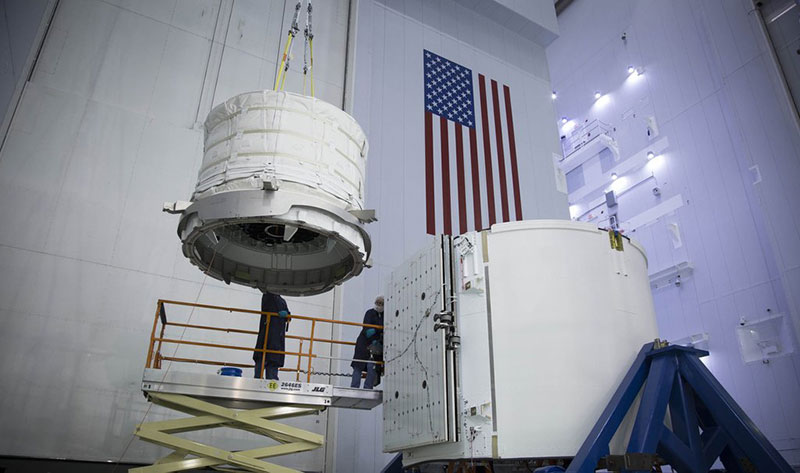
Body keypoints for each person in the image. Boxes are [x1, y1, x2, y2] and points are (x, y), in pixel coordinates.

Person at [254, 291, 290, 380]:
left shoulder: (281, 300)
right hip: (268, 334)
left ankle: (271, 381)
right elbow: (266, 308)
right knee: (262, 360)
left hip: (277, 337)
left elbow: (288, 315)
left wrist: (287, 315)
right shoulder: (268, 296)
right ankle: (259, 381)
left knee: (272, 362)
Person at [350, 296, 384, 389]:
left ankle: (368, 388)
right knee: (358, 366)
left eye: (381, 304)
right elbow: (368, 329)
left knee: (372, 366)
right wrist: (376, 334)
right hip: (364, 343)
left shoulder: (385, 316)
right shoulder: (370, 313)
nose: (379, 305)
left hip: (376, 345)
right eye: (378, 303)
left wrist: (376, 335)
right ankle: (354, 387)